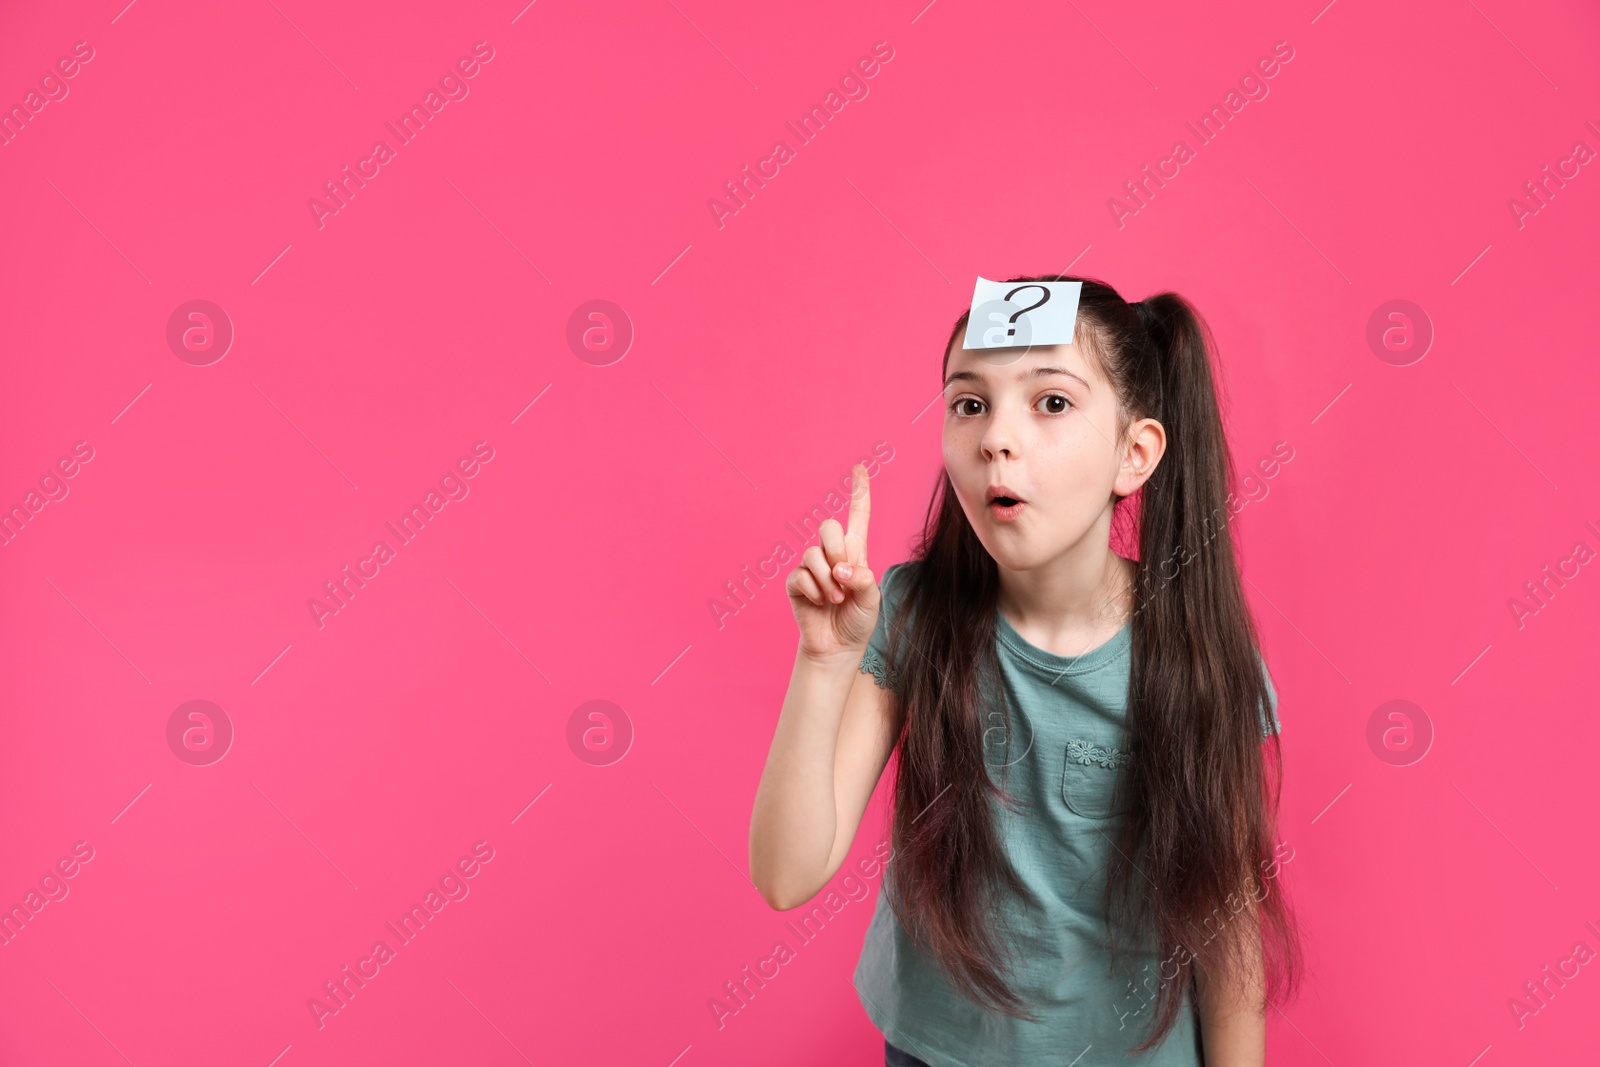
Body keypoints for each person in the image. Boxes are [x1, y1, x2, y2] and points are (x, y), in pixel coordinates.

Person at [748, 275, 1303, 1066]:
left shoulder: (1196, 656)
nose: (995, 438)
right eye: (969, 403)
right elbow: (784, 873)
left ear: (1134, 453)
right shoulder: (910, 615)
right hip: (934, 1049)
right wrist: (824, 660)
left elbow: (1228, 917)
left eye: (1050, 403)